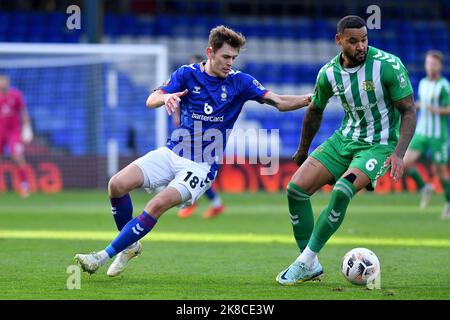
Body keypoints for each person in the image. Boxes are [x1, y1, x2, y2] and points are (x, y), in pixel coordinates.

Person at [75, 25, 312, 277]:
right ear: (210, 52)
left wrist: (309, 98)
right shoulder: (186, 75)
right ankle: (130, 245)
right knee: (116, 184)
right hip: (172, 152)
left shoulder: (240, 82)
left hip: (200, 166)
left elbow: (278, 101)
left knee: (157, 204)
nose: (230, 63)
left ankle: (100, 257)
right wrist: (165, 98)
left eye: (234, 58)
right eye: (225, 57)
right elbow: (151, 99)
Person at [276, 15, 417, 285]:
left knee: (342, 190)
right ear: (339, 41)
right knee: (296, 189)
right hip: (344, 139)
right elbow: (314, 110)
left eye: (364, 39)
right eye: (353, 42)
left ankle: (303, 261)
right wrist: (303, 149)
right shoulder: (328, 73)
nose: (361, 46)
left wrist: (398, 153)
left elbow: (408, 110)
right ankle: (310, 264)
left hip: (379, 144)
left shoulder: (388, 66)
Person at [174, 54, 225, 219]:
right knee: (194, 170)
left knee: (197, 170)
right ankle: (213, 204)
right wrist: (176, 115)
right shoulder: (187, 80)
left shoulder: (210, 87)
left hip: (206, 137)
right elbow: (177, 99)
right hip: (189, 134)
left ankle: (193, 203)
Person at [403, 50, 450, 219]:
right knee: (404, 163)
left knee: (441, 171)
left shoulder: (444, 85)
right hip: (422, 133)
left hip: (438, 135)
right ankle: (425, 187)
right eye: (428, 63)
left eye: (434, 63)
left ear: (440, 66)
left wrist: (435, 109)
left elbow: (448, 108)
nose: (430, 66)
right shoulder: (423, 83)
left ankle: (448, 203)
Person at [0, 74, 33, 198]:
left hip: (13, 132)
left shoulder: (16, 95)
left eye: (4, 82)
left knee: (18, 157)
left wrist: (27, 128)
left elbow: (23, 111)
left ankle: (25, 186)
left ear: (8, 83)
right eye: (0, 82)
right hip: (0, 132)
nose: (2, 84)